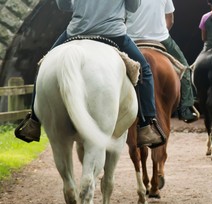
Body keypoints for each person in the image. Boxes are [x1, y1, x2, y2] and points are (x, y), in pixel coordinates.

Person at [14, 0, 166, 148]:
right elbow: (133, 7)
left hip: (77, 31)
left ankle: (33, 122)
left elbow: (64, 5)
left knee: (43, 65)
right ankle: (147, 125)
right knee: (145, 70)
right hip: (113, 34)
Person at [126, 0, 199, 123]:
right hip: (160, 38)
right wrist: (160, 31)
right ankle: (186, 108)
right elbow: (170, 19)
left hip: (131, 39)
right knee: (184, 68)